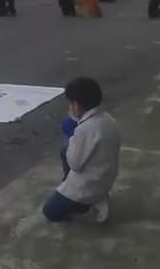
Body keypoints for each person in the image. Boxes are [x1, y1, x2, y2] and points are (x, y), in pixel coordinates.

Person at [42, 77, 121, 224]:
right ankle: (88, 196)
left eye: (70, 104)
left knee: (50, 212)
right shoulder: (108, 119)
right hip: (105, 176)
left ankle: (84, 204)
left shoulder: (85, 129)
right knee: (64, 150)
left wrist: (72, 135)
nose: (70, 108)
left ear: (76, 105)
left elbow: (74, 164)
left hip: (90, 186)